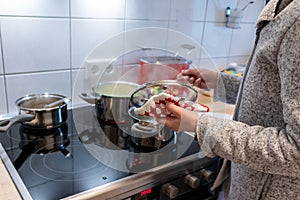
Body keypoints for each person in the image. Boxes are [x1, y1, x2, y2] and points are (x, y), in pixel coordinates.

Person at [160, 0, 300, 199]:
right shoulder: (282, 7)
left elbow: (296, 151)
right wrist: (220, 82)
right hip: (248, 180)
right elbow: (272, 92)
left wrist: (199, 124)